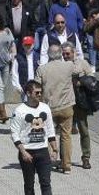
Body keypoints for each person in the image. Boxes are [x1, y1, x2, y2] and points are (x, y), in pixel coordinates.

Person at [10, 80, 58, 195]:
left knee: (46, 183)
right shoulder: (20, 111)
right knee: (29, 185)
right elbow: (14, 133)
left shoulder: (45, 108)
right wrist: (23, 152)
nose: (40, 95)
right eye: (37, 93)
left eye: (41, 92)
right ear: (28, 93)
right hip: (27, 152)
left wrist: (54, 149)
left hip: (43, 151)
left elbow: (50, 129)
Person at [35, 44, 76, 174]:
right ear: (61, 54)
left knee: (47, 135)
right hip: (66, 106)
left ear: (48, 55)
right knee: (66, 136)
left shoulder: (42, 69)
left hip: (48, 107)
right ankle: (66, 165)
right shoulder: (69, 66)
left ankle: (46, 163)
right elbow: (80, 69)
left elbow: (36, 87)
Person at [61, 41, 96, 170]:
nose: (65, 56)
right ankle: (64, 159)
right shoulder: (60, 65)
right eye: (63, 54)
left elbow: (92, 78)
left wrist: (81, 82)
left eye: (68, 53)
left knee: (84, 130)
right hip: (65, 102)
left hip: (80, 101)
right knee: (64, 132)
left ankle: (86, 157)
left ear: (74, 52)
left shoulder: (82, 63)